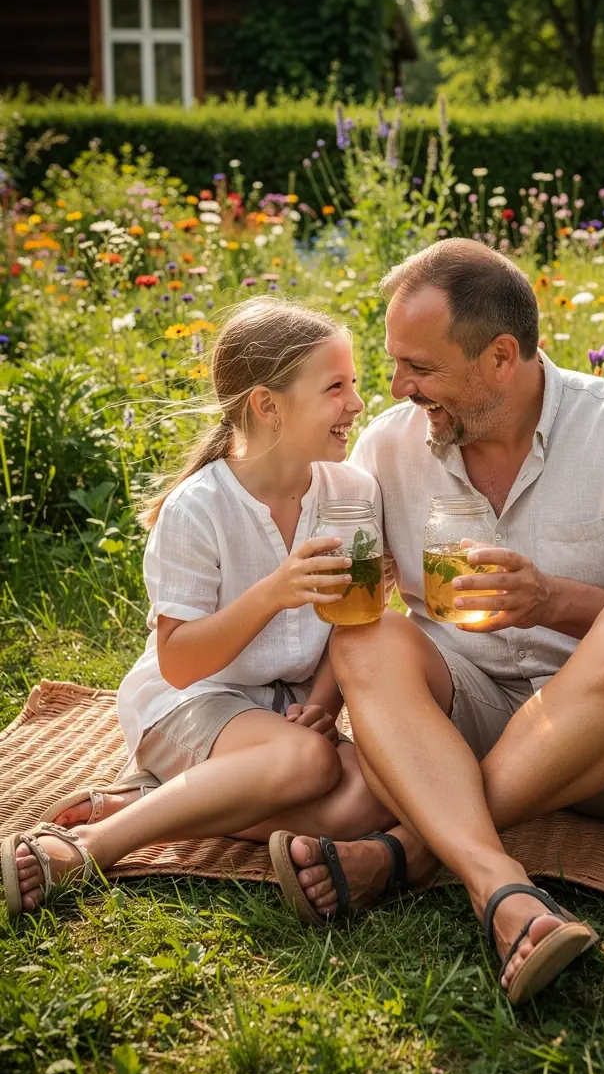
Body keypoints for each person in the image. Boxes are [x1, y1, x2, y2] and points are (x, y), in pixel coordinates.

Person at [272, 238, 604, 1006]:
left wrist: (553, 601)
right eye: (396, 365)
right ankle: (500, 888)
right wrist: (316, 710)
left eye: (420, 369)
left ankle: (407, 853)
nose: (398, 387)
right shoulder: (389, 446)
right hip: (469, 716)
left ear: (500, 357)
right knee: (371, 634)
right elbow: (356, 598)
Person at [1, 296, 399, 917]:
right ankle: (92, 847)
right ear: (267, 405)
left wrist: (322, 705)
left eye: (355, 384)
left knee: (374, 795)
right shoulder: (199, 508)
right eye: (335, 387)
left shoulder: (352, 492)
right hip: (189, 700)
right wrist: (274, 591)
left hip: (285, 712)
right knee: (307, 760)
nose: (356, 403)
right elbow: (180, 663)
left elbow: (357, 622)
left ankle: (147, 803)